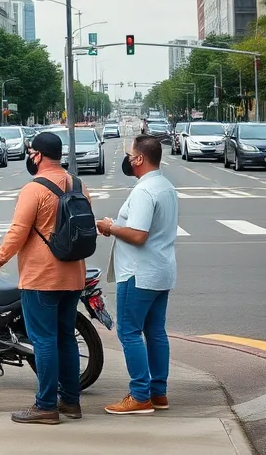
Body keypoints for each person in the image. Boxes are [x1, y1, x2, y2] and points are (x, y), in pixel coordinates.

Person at [0, 131, 92, 425]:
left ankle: (45, 406)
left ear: (39, 155)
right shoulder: (79, 185)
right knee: (66, 338)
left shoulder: (34, 189)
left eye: (32, 152)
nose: (30, 156)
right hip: (74, 275)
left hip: (42, 277)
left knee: (44, 340)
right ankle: (70, 402)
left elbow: (18, 232)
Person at [97, 134, 179, 415]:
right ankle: (159, 393)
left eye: (130, 154)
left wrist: (110, 227)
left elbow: (138, 234)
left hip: (138, 273)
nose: (127, 159)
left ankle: (140, 395)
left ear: (140, 159)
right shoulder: (165, 186)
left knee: (129, 332)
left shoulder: (145, 191)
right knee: (155, 331)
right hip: (161, 270)